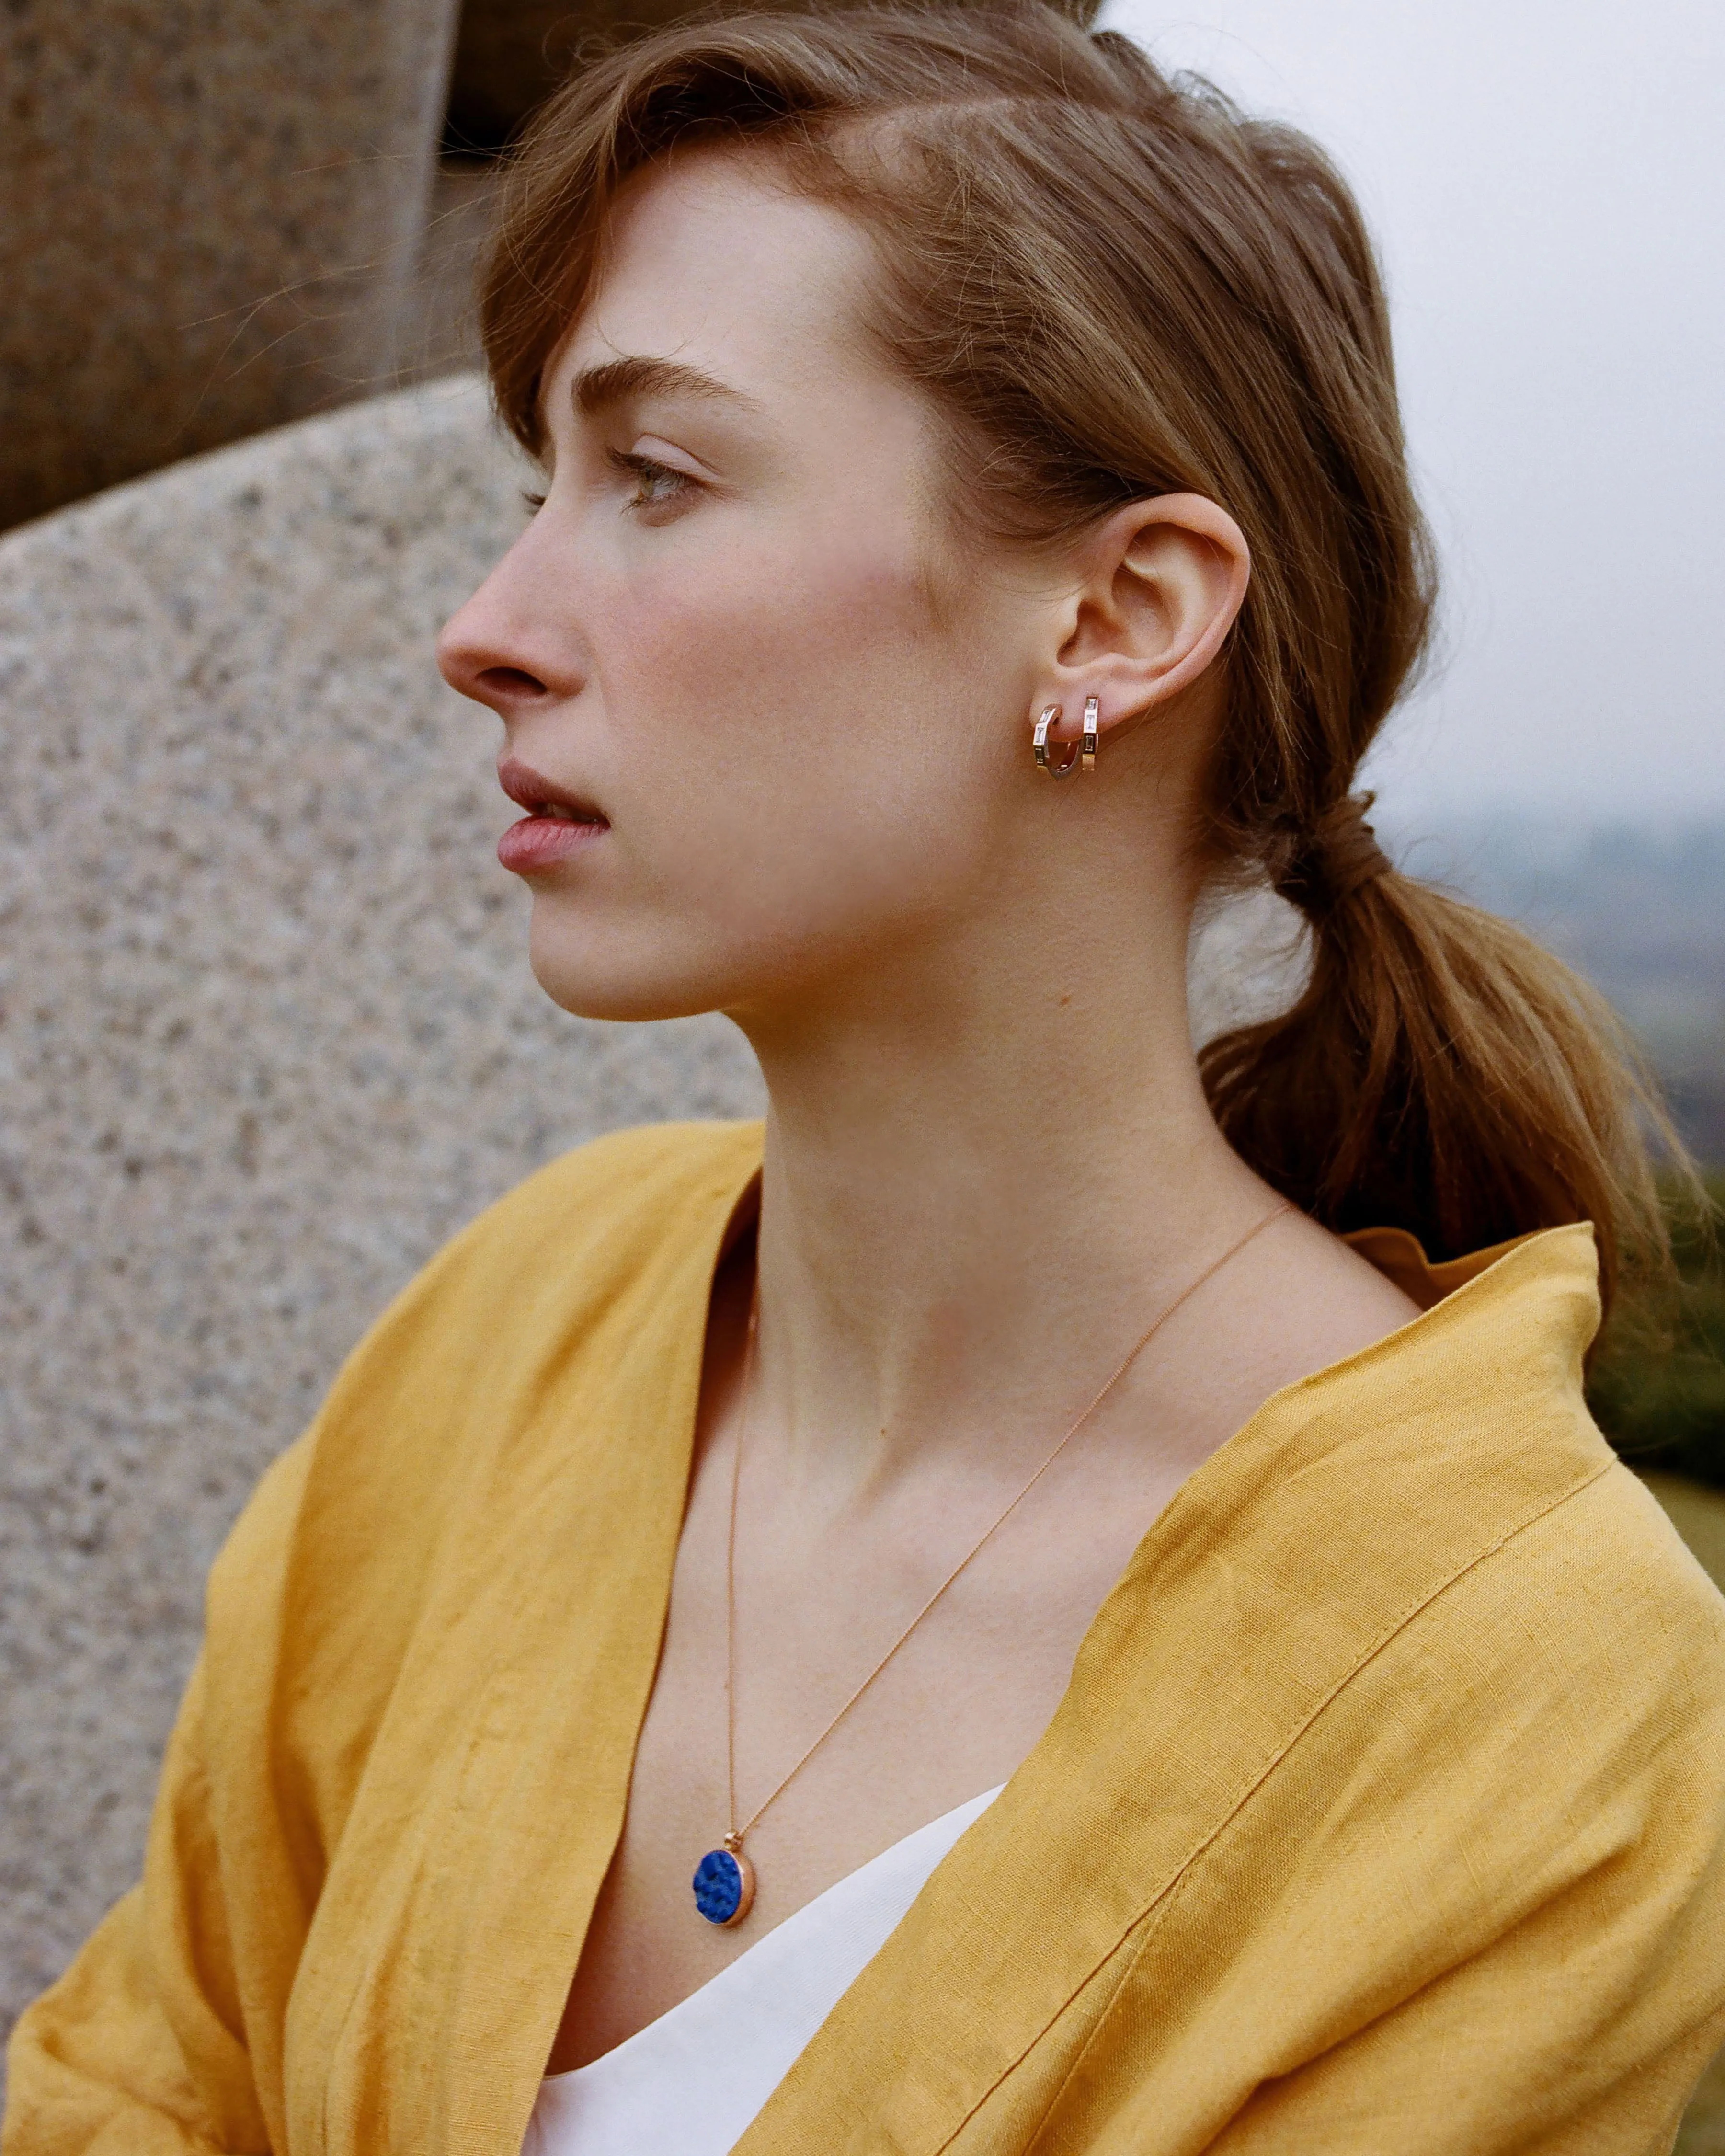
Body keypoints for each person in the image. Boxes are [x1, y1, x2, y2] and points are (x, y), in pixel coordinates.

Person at [8, 4, 1725, 2151]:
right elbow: (133, 2080)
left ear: (1116, 618)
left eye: (658, 471)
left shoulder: (1528, 1707)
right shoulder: (514, 1330)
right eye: (538, 479)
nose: (488, 621)